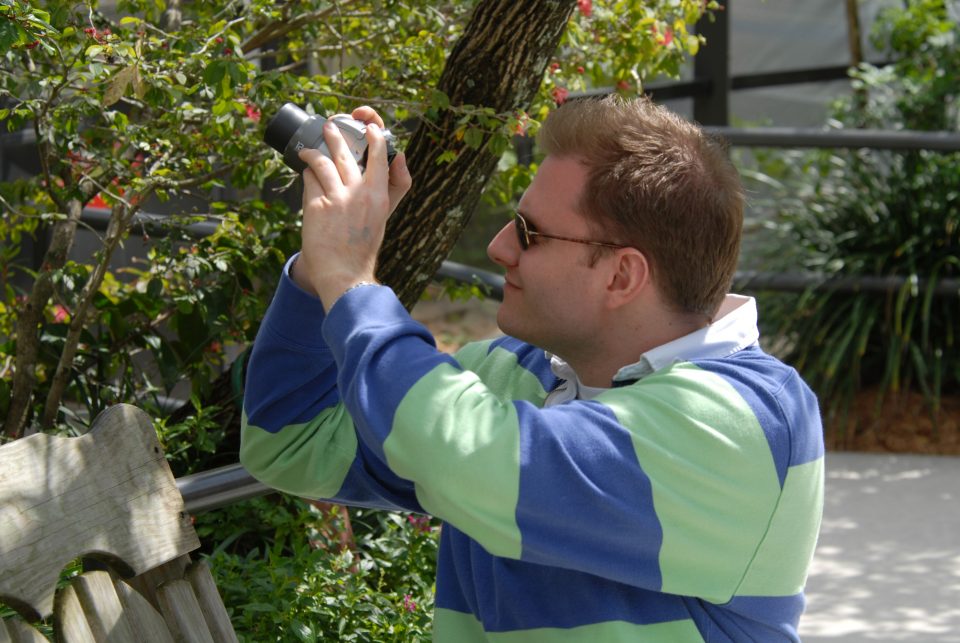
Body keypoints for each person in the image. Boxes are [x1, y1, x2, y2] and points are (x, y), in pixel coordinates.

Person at [240, 95, 824, 642]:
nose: (498, 248)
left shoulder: (742, 421)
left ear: (621, 276)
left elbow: (475, 455)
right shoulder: (513, 374)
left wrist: (350, 276)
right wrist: (319, 271)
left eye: (529, 232)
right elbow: (292, 441)